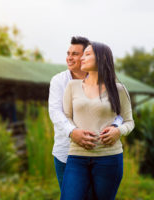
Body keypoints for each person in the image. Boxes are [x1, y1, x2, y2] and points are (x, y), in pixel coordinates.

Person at [60, 42, 135, 200]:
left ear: (101, 58)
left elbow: (129, 121)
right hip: (77, 157)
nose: (82, 58)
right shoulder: (72, 86)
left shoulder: (119, 89)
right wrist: (73, 133)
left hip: (109, 158)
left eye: (87, 54)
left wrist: (118, 131)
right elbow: (65, 117)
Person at [48, 36, 123, 192]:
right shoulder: (58, 81)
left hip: (100, 153)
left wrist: (116, 127)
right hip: (65, 153)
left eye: (75, 54)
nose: (69, 57)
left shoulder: (107, 82)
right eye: (68, 53)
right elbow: (55, 112)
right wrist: (73, 132)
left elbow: (120, 113)